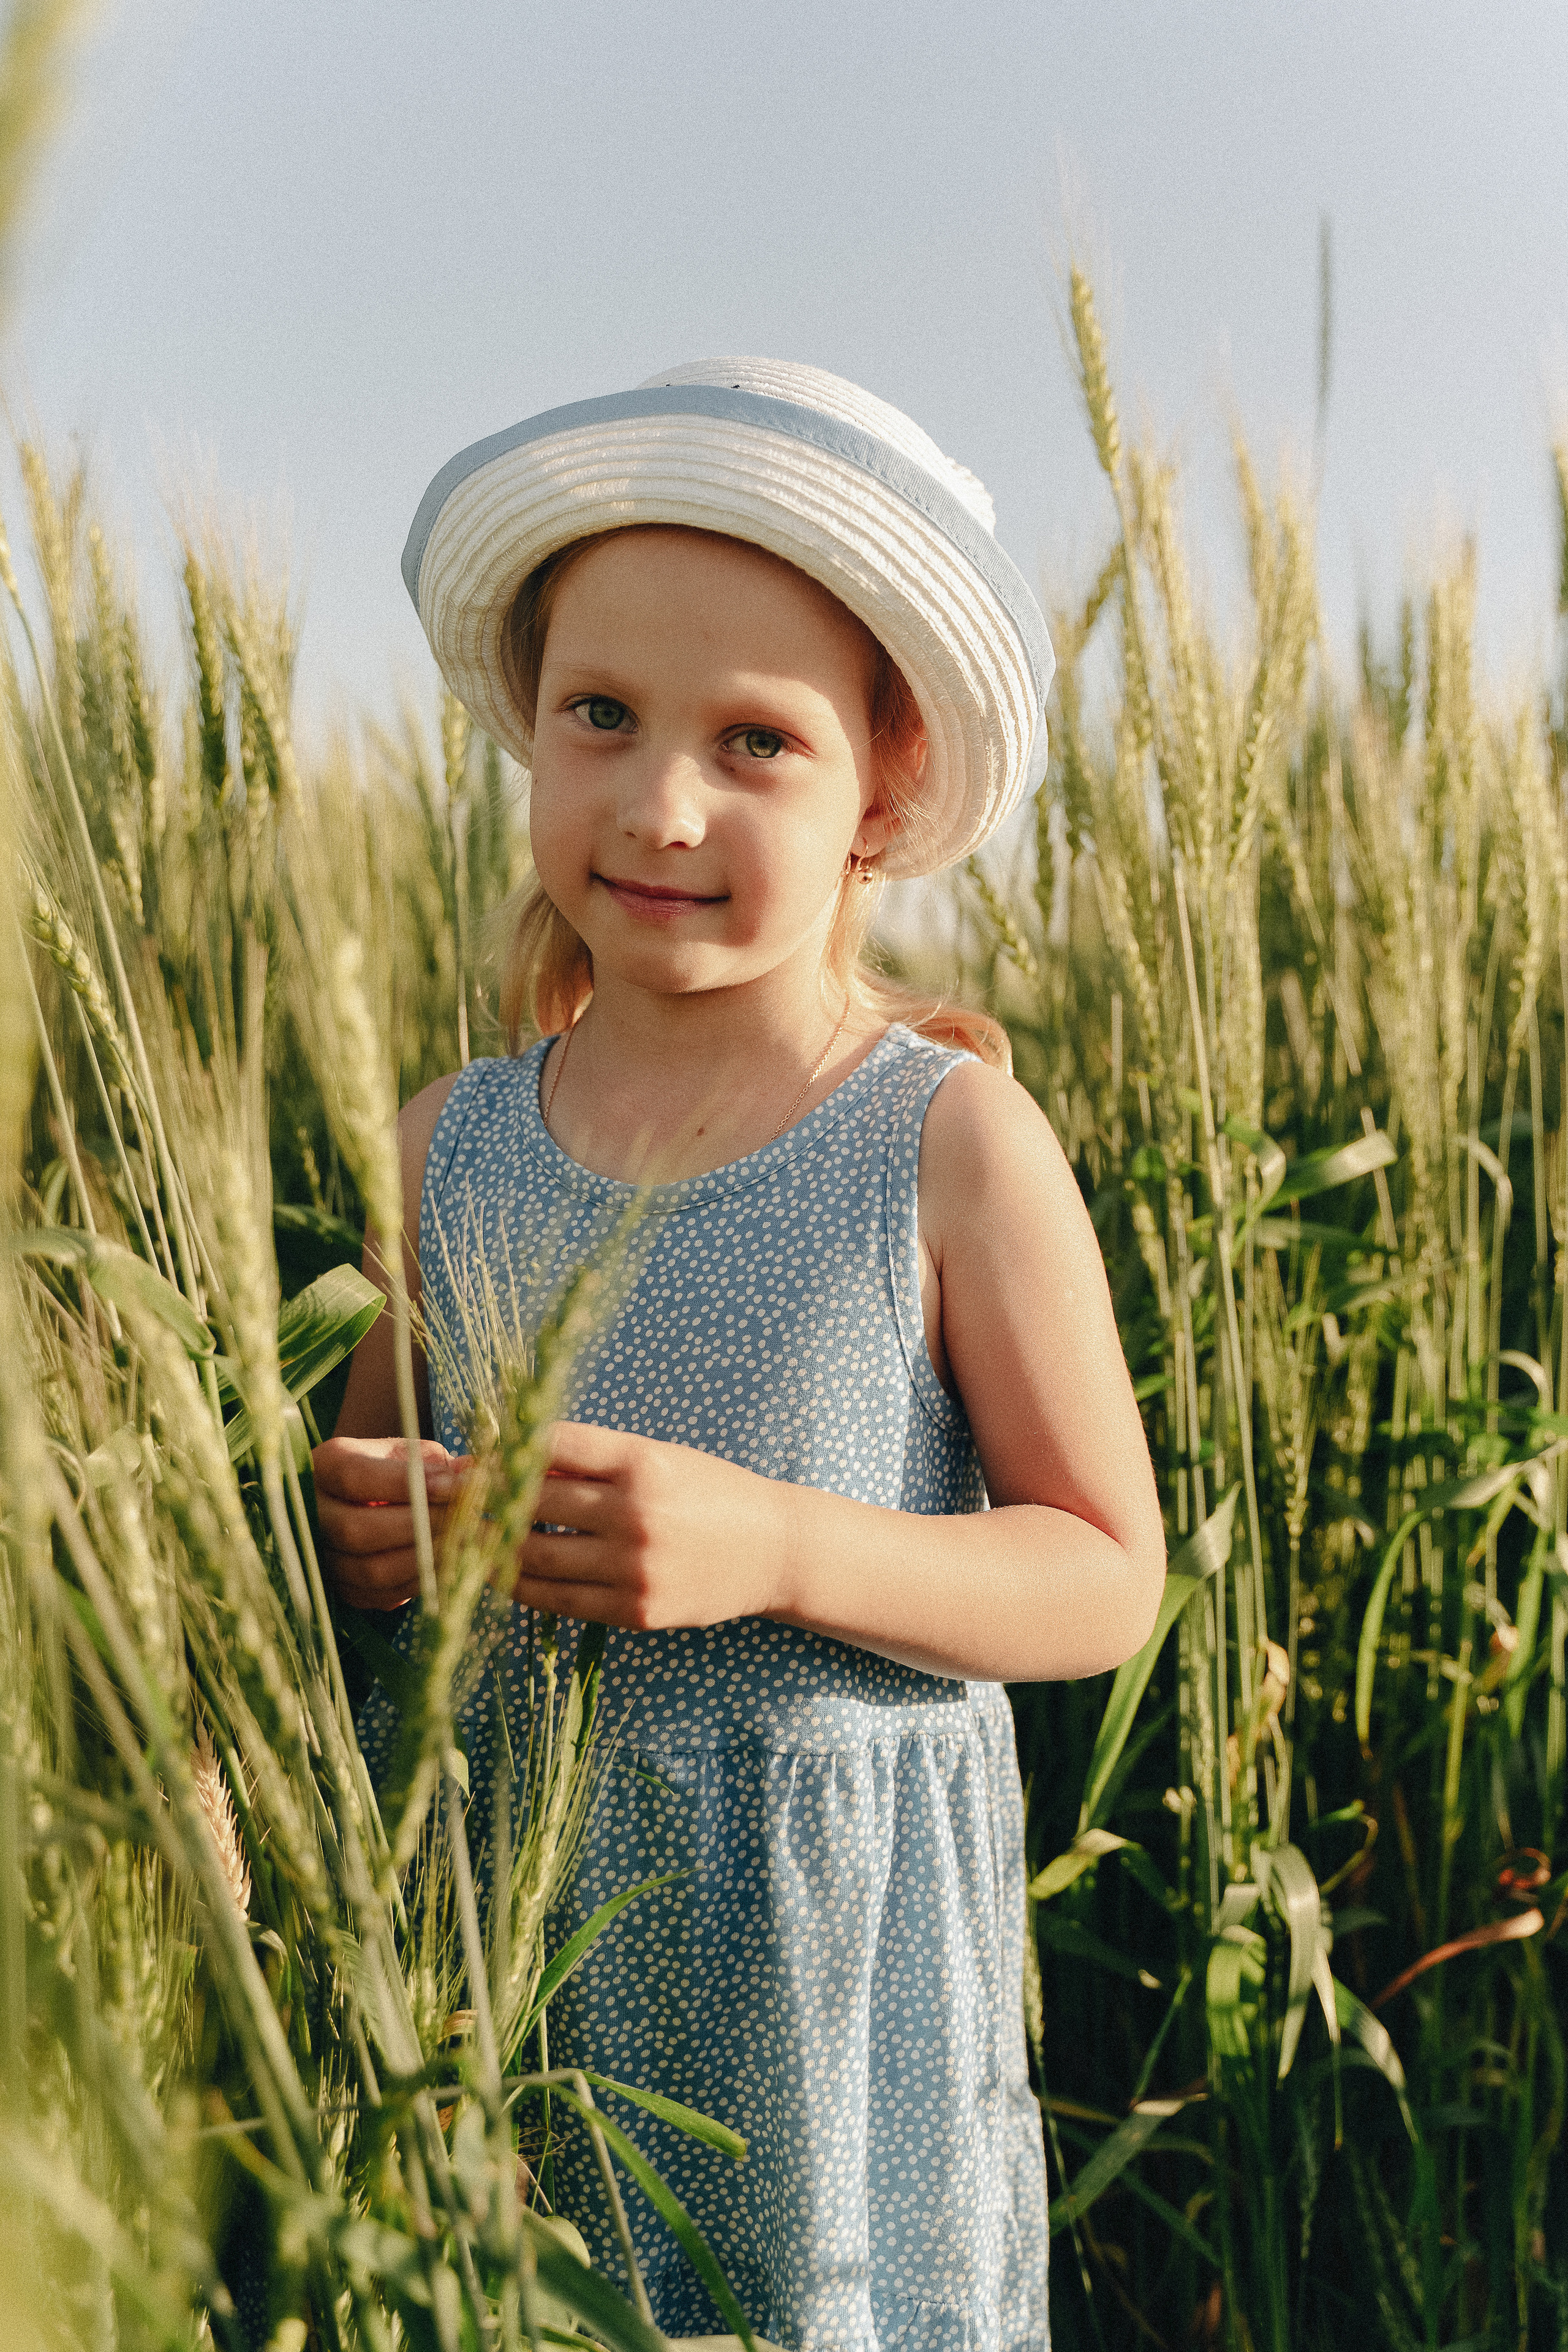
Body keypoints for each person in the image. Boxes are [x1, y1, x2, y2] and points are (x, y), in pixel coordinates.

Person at [313, 358, 1165, 2352]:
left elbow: (1105, 1571)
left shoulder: (944, 1142)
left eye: (756, 741)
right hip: (520, 1985)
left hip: (832, 2031)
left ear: (885, 796)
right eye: (601, 714)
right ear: (531, 724)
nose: (661, 804)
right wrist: (378, 1531)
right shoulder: (445, 1147)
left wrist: (778, 1546)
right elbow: (364, 1529)